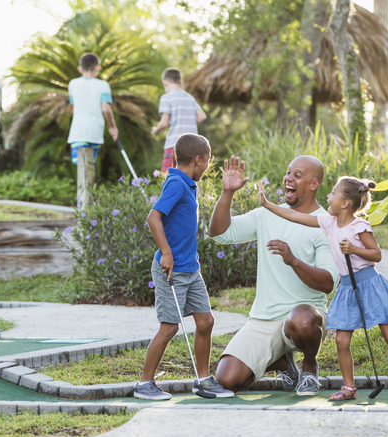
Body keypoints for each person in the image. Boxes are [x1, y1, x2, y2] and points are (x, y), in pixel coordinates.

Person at [258, 176, 388, 402]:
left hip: (369, 285)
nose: (329, 196)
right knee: (341, 341)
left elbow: (376, 254)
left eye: (333, 193)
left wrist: (354, 248)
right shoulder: (329, 222)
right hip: (348, 288)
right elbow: (296, 216)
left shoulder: (359, 226)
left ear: (345, 203)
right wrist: (268, 205)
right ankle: (349, 387)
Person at [209, 155, 339, 396]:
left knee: (301, 318)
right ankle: (283, 363)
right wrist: (227, 192)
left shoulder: (325, 225)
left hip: (305, 317)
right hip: (264, 318)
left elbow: (327, 283)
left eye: (297, 175)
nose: (288, 178)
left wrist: (293, 261)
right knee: (226, 380)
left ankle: (309, 369)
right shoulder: (265, 214)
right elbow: (219, 233)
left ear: (314, 184)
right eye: (288, 173)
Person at [134, 133, 234, 400]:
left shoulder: (187, 183)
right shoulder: (177, 183)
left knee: (206, 321)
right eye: (208, 162)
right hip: (172, 270)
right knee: (169, 327)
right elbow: (153, 217)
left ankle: (202, 380)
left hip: (191, 269)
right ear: (198, 159)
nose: (207, 166)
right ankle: (144, 384)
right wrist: (166, 253)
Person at [151, 68, 207, 173]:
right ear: (181, 83)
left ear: (165, 83)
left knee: (168, 176)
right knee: (190, 178)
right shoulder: (190, 98)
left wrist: (155, 131)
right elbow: (202, 116)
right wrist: (188, 123)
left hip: (174, 144)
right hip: (192, 145)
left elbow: (164, 123)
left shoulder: (166, 98)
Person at [67, 53, 118, 164]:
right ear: (97, 67)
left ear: (80, 68)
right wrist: (112, 127)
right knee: (89, 166)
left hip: (78, 132)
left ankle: (84, 182)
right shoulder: (103, 85)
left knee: (81, 166)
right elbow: (105, 109)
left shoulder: (73, 84)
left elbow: (74, 106)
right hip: (95, 131)